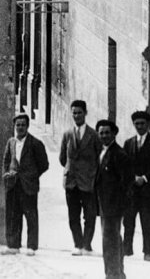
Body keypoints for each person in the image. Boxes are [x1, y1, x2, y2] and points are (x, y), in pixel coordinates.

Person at [1, 113, 49, 256]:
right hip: (13, 184)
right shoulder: (11, 142)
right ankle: (13, 245)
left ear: (27, 126)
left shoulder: (35, 143)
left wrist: (32, 176)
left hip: (28, 185)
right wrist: (7, 174)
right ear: (14, 127)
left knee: (30, 215)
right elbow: (6, 160)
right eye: (18, 125)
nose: (20, 127)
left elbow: (44, 164)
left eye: (23, 125)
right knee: (13, 215)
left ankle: (31, 246)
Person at [123, 110, 150, 262]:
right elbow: (124, 165)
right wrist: (132, 178)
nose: (140, 126)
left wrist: (145, 178)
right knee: (128, 221)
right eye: (137, 124)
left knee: (147, 223)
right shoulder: (128, 143)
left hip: (148, 192)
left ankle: (147, 251)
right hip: (131, 191)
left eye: (142, 124)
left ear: (148, 125)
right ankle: (127, 248)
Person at [59, 99, 100, 257]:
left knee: (89, 215)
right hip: (71, 181)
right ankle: (77, 244)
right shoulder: (68, 134)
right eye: (74, 113)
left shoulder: (93, 135)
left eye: (79, 113)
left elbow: (98, 158)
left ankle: (87, 245)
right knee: (73, 215)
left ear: (85, 113)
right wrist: (71, 170)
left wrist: (90, 173)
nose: (76, 116)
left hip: (88, 182)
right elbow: (63, 158)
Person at [95, 119, 133, 279]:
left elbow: (126, 182)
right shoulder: (102, 151)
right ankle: (117, 273)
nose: (104, 136)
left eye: (107, 133)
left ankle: (113, 274)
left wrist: (119, 206)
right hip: (104, 205)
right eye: (101, 133)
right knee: (112, 240)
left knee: (110, 241)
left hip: (113, 207)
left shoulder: (119, 155)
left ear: (114, 134)